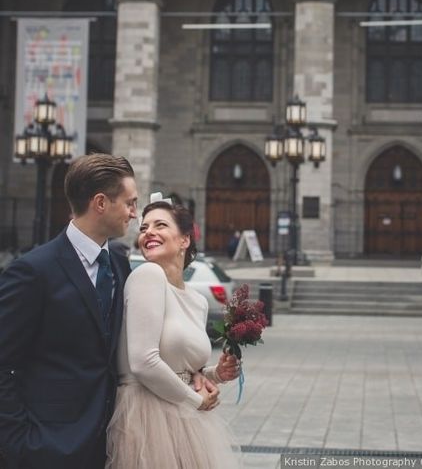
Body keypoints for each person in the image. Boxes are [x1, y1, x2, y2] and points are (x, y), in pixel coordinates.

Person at [0, 153, 138, 469]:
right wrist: (19, 443)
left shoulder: (119, 265)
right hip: (46, 449)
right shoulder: (32, 271)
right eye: (129, 203)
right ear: (101, 203)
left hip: (109, 445)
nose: (134, 213)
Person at [106, 199, 242, 469]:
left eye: (160, 225)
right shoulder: (147, 275)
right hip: (146, 414)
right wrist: (196, 401)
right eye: (144, 228)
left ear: (184, 240)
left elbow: (185, 367)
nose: (148, 232)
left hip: (184, 416)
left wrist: (216, 373)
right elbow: (144, 362)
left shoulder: (197, 300)